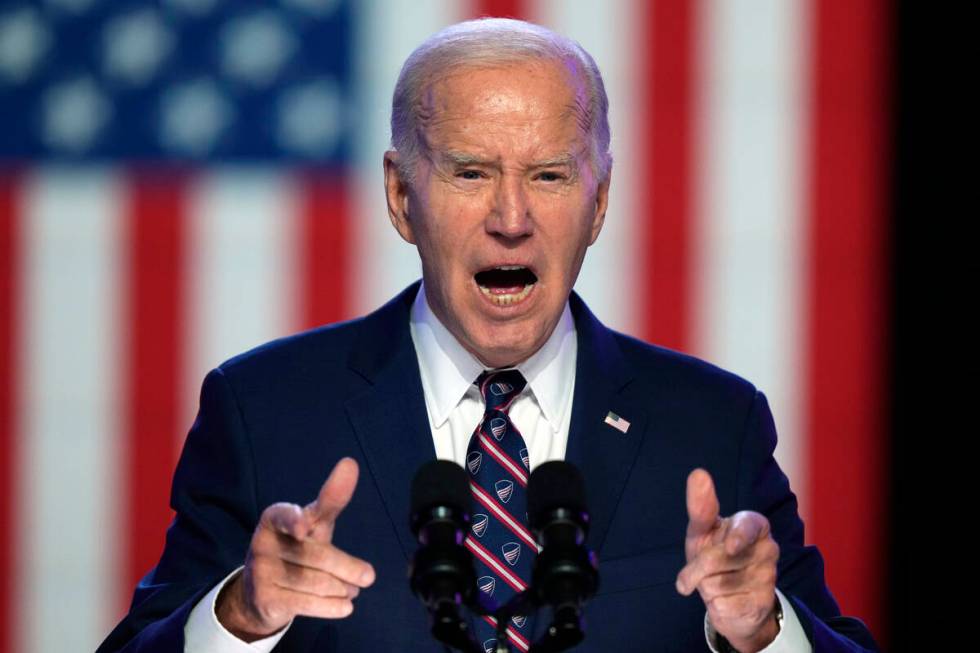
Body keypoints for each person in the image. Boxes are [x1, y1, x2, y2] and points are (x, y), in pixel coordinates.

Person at [98, 18, 878, 653]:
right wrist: (240, 615)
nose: (512, 219)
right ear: (402, 197)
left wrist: (762, 629)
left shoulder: (712, 423)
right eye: (471, 173)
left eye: (549, 175)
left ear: (599, 202)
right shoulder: (266, 410)